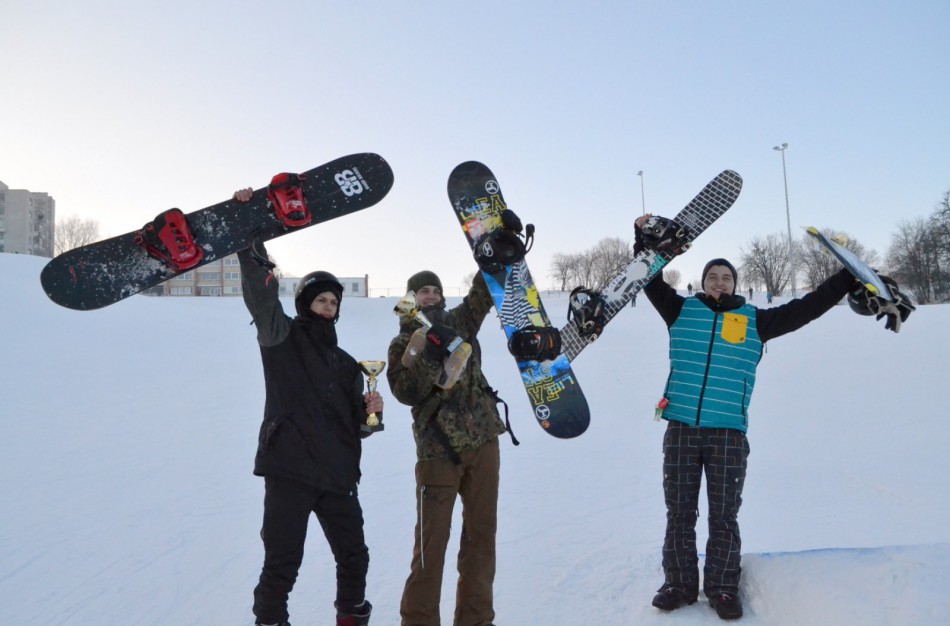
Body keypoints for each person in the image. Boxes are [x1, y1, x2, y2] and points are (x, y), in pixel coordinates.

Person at [634, 213, 858, 621]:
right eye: (713, 276)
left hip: (728, 435)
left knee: (724, 515)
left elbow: (806, 308)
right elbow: (646, 278)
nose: (719, 282)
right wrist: (644, 239)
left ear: (736, 284)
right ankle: (679, 584)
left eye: (726, 277)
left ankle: (722, 588)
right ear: (703, 282)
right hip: (681, 428)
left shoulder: (757, 321)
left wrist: (845, 280)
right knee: (679, 513)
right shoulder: (679, 311)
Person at [234, 187, 383, 626]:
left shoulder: (347, 364)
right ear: (305, 303)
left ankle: (350, 617)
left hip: (337, 474)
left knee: (355, 556)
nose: (328, 305)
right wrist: (249, 242)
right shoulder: (282, 339)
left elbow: (356, 425)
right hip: (291, 469)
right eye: (321, 299)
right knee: (282, 563)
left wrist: (371, 414)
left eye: (334, 301)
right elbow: (261, 299)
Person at [387, 270, 508, 626]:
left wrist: (491, 254)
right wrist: (428, 352)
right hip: (438, 452)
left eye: (435, 290)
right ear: (411, 297)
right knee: (430, 548)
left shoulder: (460, 321)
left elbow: (481, 296)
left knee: (481, 539)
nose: (430, 295)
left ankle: (477, 620)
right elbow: (405, 391)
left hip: (484, 443)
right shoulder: (404, 341)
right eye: (422, 290)